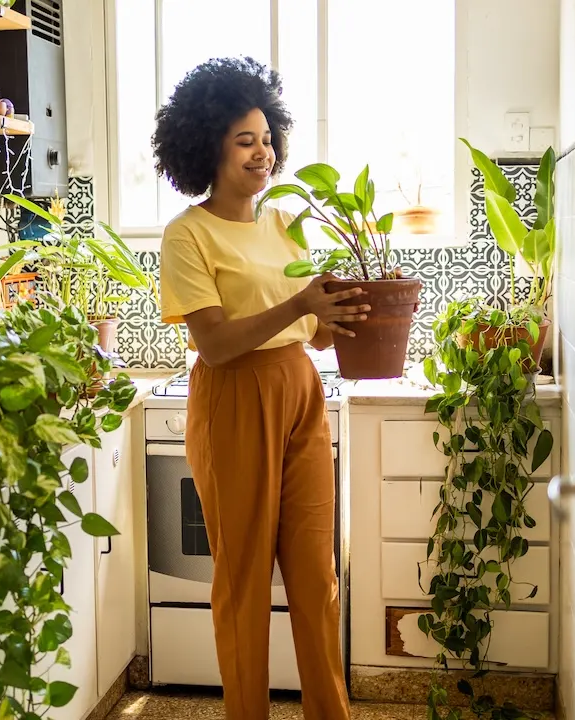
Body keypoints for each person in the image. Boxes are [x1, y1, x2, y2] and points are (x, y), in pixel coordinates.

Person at [153, 56, 365, 720]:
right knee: (243, 584)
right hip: (233, 398)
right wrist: (299, 305)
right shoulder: (188, 233)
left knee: (316, 579)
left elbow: (315, 334)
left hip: (302, 393)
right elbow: (213, 343)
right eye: (245, 140)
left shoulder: (284, 224)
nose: (262, 152)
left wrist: (334, 311)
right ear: (207, 144)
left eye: (267, 138)